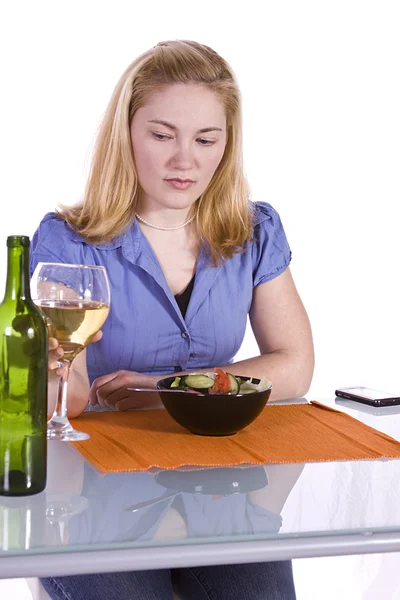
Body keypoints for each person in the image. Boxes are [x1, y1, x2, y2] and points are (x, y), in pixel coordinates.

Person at [31, 39, 314, 600]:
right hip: (96, 494)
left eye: (206, 140)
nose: (185, 160)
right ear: (127, 136)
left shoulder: (254, 231)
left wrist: (165, 389)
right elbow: (72, 396)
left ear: (226, 146)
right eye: (162, 135)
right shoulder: (71, 240)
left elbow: (295, 366)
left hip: (226, 487)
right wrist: (51, 374)